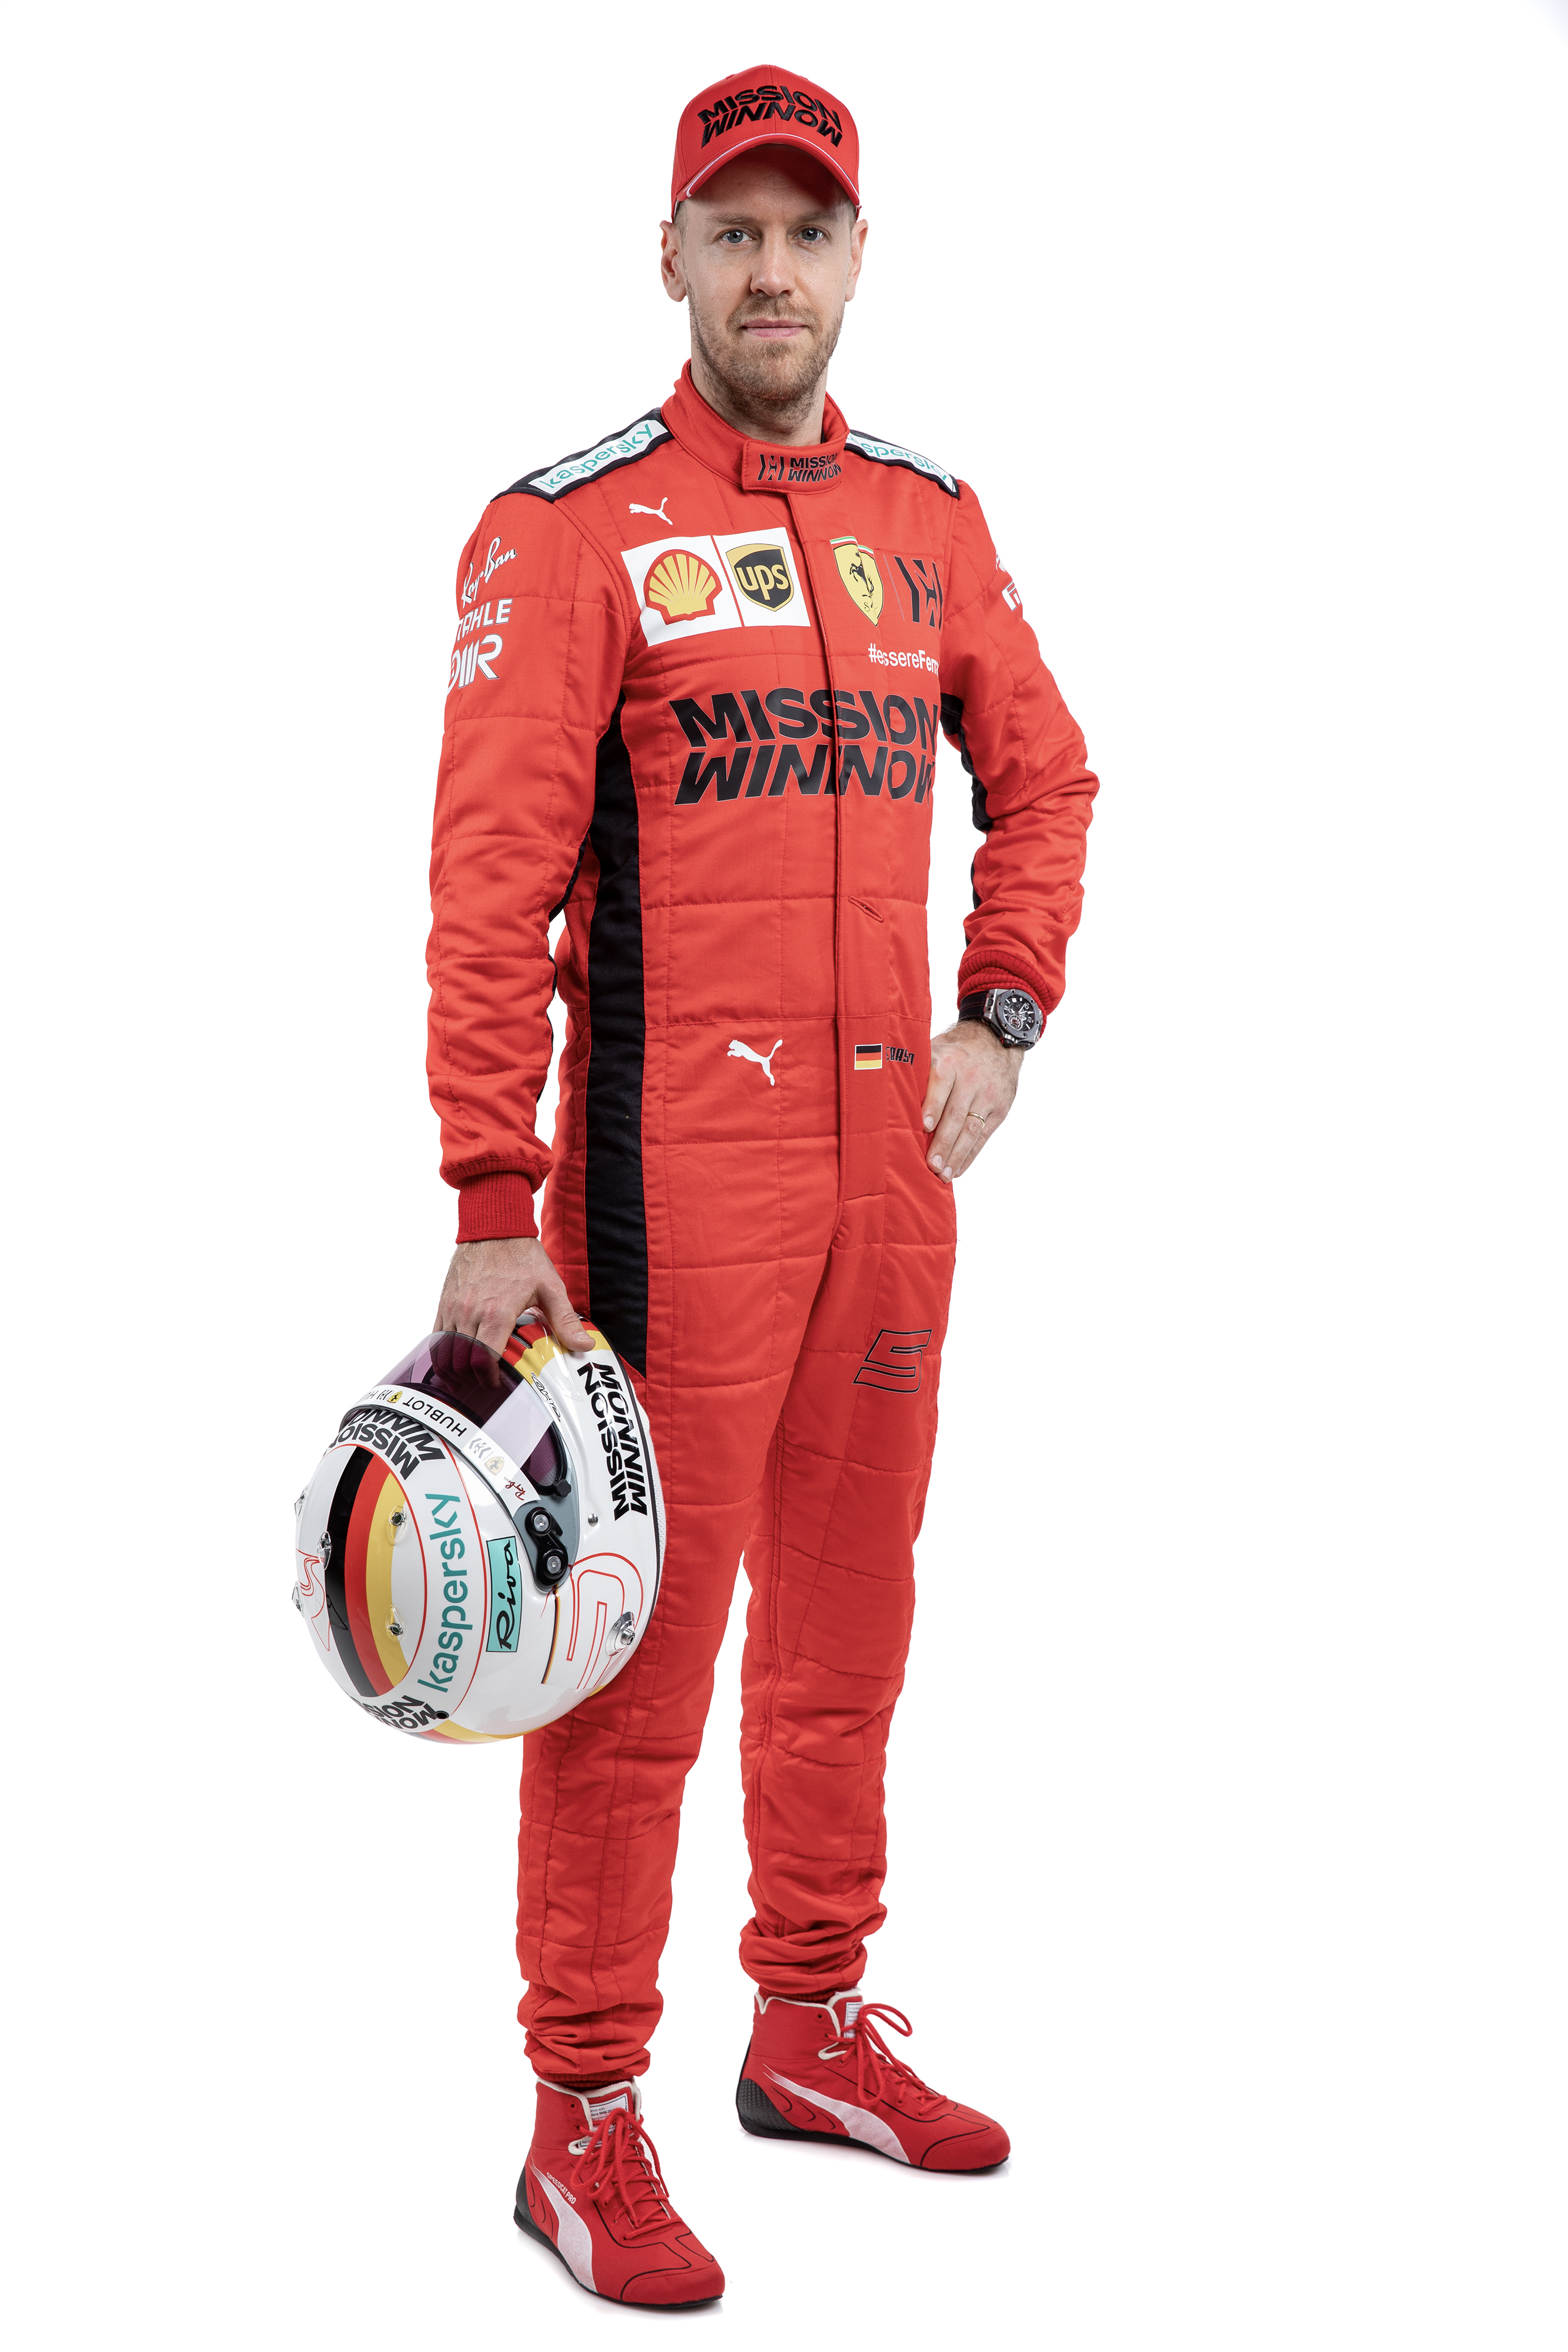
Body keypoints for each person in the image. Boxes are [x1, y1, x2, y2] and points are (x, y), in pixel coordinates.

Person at [425, 65, 1098, 2307]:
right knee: (628, 1652)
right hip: (662, 1188)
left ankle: (809, 2022)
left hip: (890, 1168)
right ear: (672, 260)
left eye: (808, 232)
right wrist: (491, 1189)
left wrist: (1003, 1010)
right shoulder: (566, 529)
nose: (773, 269)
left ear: (858, 259)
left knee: (846, 1626)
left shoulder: (930, 521)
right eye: (735, 232)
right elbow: (488, 887)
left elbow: (1048, 778)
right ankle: (579, 2117)